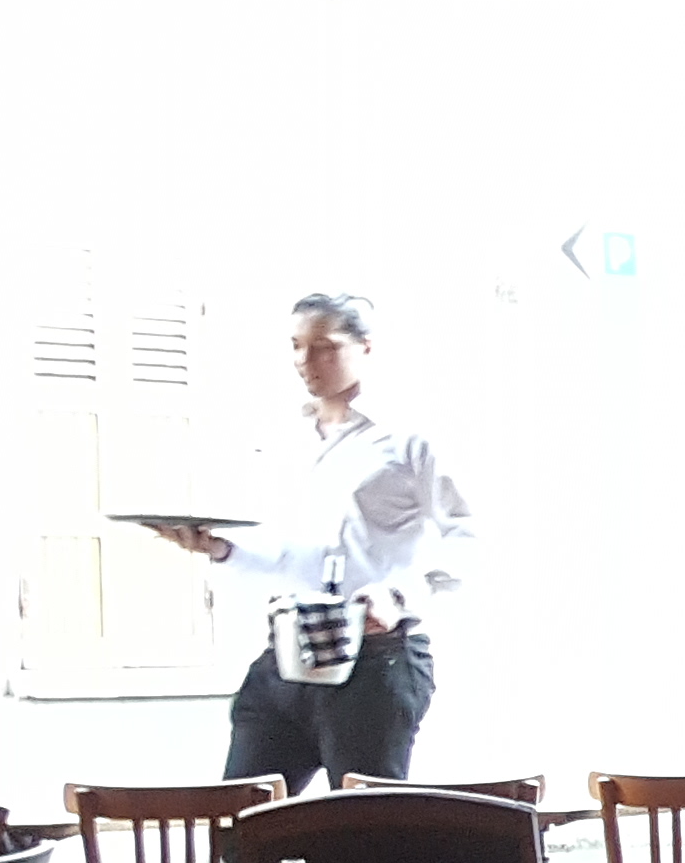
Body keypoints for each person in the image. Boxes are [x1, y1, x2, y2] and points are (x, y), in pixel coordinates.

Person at [148, 291, 475, 787]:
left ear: (366, 346)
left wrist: (399, 596)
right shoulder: (288, 438)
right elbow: (295, 553)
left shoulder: (409, 438)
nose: (306, 360)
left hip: (375, 656)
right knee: (244, 815)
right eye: (297, 346)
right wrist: (221, 549)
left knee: (360, 824)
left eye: (324, 347)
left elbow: (468, 538)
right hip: (287, 650)